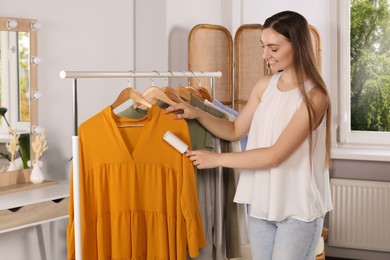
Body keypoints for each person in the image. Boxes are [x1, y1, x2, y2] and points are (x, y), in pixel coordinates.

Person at [165, 10, 333, 260]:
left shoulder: (315, 96)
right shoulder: (264, 86)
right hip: (260, 205)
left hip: (298, 211)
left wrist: (216, 160)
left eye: (273, 48)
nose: (265, 55)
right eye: (264, 46)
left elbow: (275, 155)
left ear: (297, 45)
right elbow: (234, 130)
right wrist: (197, 114)